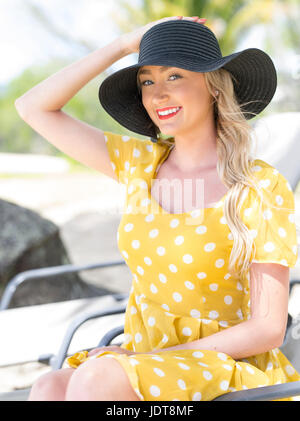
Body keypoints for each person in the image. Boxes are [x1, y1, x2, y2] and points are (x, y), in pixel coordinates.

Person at [15, 16, 300, 401]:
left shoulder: (258, 186)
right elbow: (33, 108)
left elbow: (268, 328)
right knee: (49, 385)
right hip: (143, 358)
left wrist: (151, 358)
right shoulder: (139, 165)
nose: (157, 94)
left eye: (174, 77)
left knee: (95, 381)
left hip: (224, 367)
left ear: (213, 86)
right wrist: (121, 46)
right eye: (147, 81)